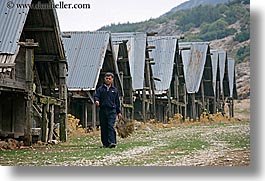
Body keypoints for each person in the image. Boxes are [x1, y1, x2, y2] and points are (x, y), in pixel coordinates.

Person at [94, 72, 122, 148]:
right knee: (104, 127)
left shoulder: (114, 90)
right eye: (107, 78)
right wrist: (97, 101)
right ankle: (105, 144)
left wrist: (118, 112)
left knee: (110, 126)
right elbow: (96, 96)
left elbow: (117, 102)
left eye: (109, 79)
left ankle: (112, 142)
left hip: (112, 111)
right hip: (103, 110)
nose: (108, 80)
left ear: (112, 79)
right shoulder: (100, 89)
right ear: (104, 79)